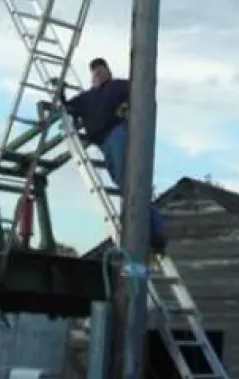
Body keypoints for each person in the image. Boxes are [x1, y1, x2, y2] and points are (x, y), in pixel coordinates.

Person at [59, 56, 168, 255]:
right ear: (92, 77)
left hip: (118, 133)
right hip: (103, 142)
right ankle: (150, 228)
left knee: (130, 182)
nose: (98, 74)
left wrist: (127, 109)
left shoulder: (117, 87)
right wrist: (61, 93)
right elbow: (68, 107)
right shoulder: (87, 98)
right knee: (122, 182)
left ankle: (155, 232)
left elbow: (139, 92)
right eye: (95, 72)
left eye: (101, 70)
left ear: (108, 71)